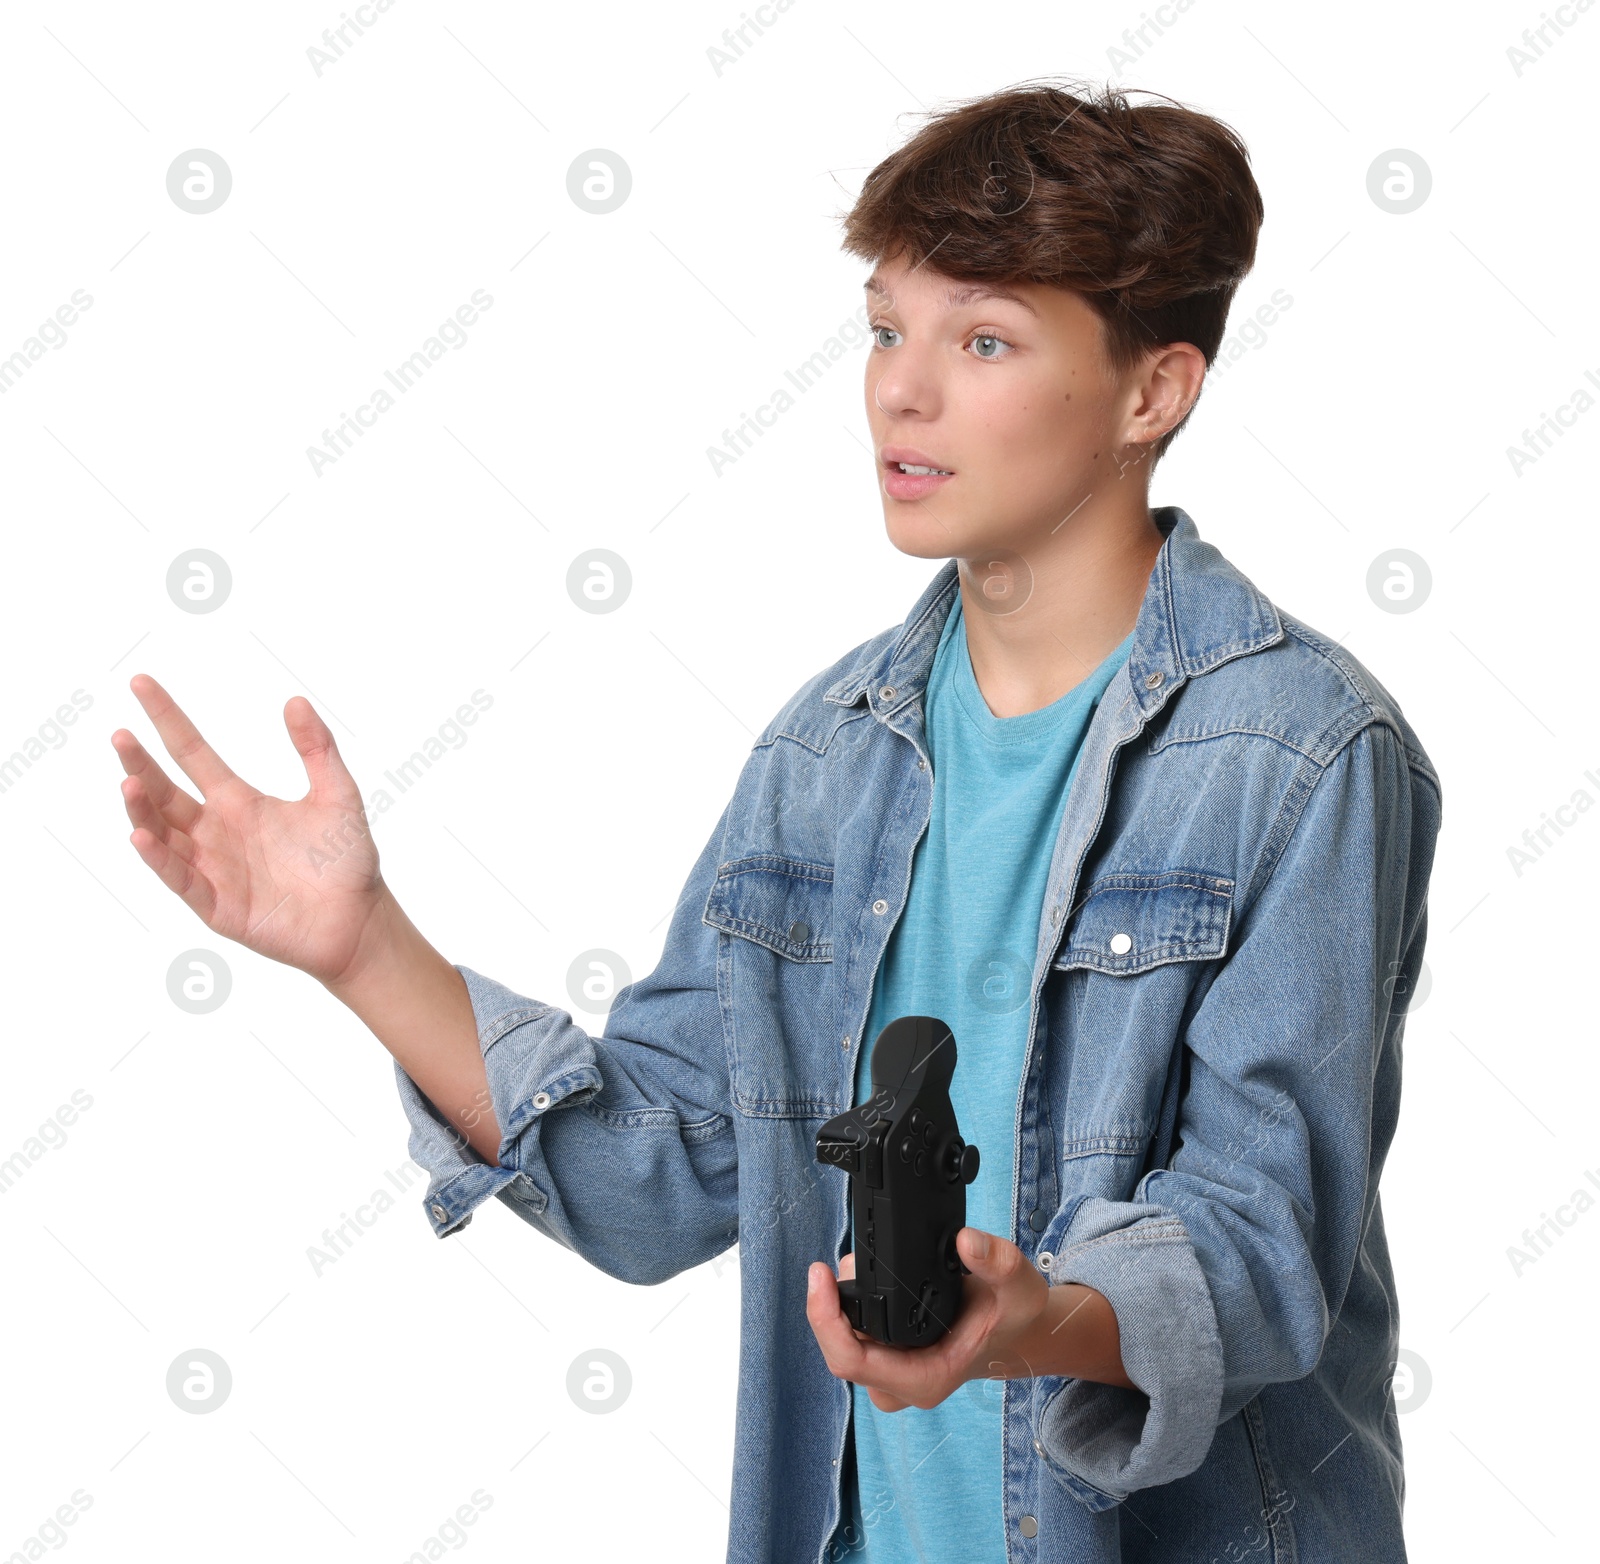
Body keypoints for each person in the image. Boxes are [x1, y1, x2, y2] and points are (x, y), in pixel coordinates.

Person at [110, 78, 1441, 1564]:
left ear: (1153, 392)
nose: (901, 392)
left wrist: (1033, 1321)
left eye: (983, 340)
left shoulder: (1303, 756)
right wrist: (364, 949)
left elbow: (1257, 1250)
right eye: (887, 330)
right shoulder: (826, 758)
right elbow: (659, 1176)